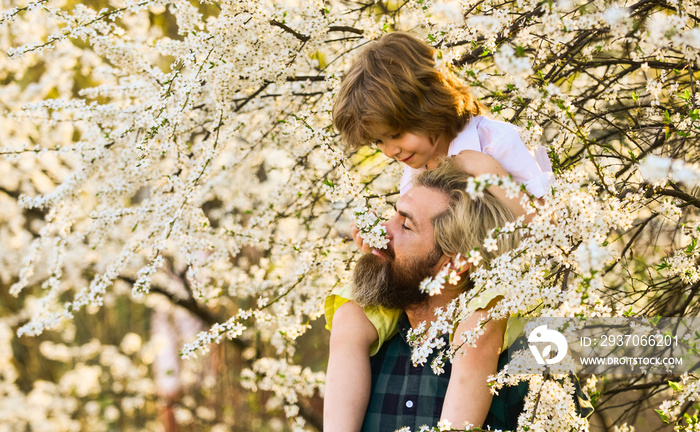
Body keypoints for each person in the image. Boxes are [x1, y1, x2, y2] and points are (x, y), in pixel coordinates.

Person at [325, 32, 554, 431]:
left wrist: (485, 171)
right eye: (379, 141)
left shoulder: (495, 142)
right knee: (349, 317)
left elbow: (542, 229)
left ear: (427, 104)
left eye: (394, 134)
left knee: (475, 337)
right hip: (441, 280)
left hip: (497, 281)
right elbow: (415, 229)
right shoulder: (416, 164)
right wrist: (381, 241)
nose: (389, 150)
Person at [327, 158, 525, 431]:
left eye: (405, 226)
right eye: (393, 214)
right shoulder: (362, 345)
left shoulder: (520, 358)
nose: (381, 232)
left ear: (453, 264)